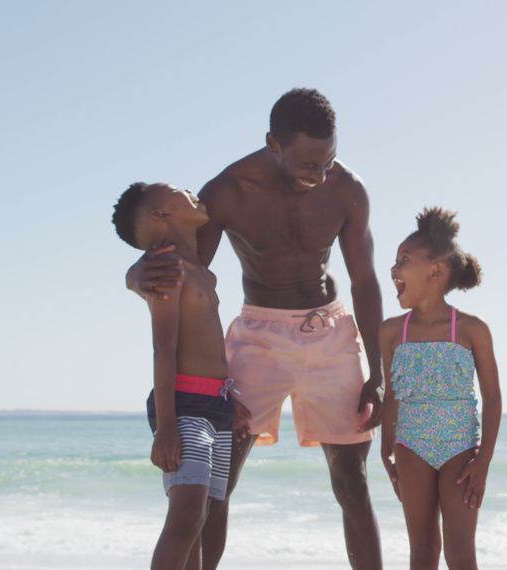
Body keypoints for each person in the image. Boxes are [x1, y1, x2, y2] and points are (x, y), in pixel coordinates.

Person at [126, 89, 385, 570]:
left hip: (329, 331)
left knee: (352, 477)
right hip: (258, 335)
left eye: (328, 161)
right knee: (220, 480)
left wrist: (378, 370)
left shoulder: (348, 189)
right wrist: (134, 274)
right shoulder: (227, 191)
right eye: (309, 163)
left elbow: (365, 281)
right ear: (274, 143)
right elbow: (183, 272)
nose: (320, 174)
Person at [111, 182, 250, 570]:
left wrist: (228, 400)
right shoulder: (166, 270)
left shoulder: (202, 273)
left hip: (215, 406)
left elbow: (205, 349)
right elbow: (164, 350)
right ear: (161, 216)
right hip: (184, 406)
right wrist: (167, 427)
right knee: (186, 514)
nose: (191, 190)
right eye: (179, 191)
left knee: (201, 515)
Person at [380, 207, 502, 570]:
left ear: (435, 270)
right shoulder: (390, 332)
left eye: (404, 260)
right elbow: (392, 395)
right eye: (395, 260)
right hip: (410, 446)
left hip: (460, 448)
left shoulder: (471, 329)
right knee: (422, 551)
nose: (394, 270)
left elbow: (493, 399)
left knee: (460, 553)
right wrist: (386, 450)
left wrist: (483, 461)